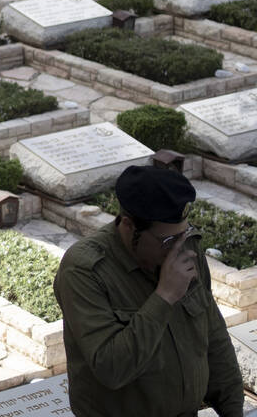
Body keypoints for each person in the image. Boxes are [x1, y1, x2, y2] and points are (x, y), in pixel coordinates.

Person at [54, 165, 243, 417]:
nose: (178, 250)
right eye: (167, 241)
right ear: (129, 226)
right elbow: (111, 368)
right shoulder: (84, 271)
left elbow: (214, 337)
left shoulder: (185, 250)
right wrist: (164, 296)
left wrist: (233, 411)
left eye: (183, 234)